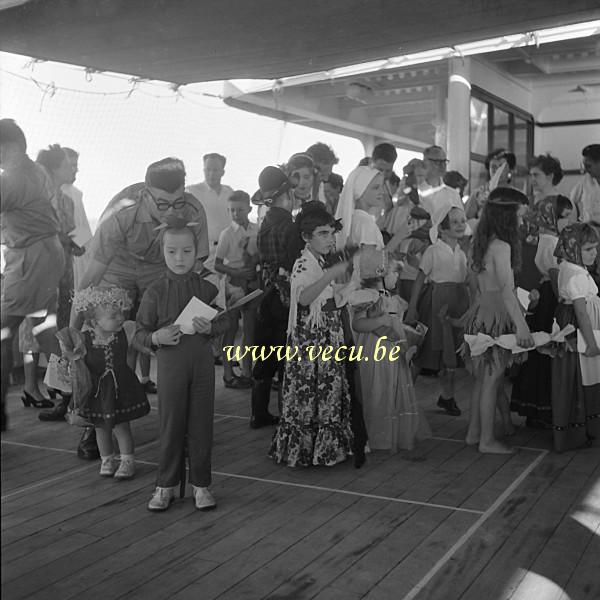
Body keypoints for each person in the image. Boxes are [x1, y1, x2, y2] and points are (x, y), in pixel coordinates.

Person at [67, 157, 209, 459]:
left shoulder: (194, 209)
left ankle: (180, 426)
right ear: (145, 193)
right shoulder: (122, 211)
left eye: (177, 203)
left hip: (163, 266)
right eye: (161, 204)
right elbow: (92, 276)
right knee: (102, 340)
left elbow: (194, 267)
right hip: (117, 266)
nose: (171, 212)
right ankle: (95, 426)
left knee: (174, 337)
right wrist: (74, 327)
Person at [135, 221, 231, 511]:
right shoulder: (154, 291)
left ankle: (201, 486)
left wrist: (211, 328)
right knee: (171, 424)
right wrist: (156, 336)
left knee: (202, 425)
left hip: (202, 367)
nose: (179, 258)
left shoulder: (207, 287)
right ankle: (165, 486)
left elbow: (227, 320)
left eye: (187, 251)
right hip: (170, 366)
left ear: (197, 252)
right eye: (172, 251)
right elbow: (138, 332)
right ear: (162, 251)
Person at [269, 208, 354, 467]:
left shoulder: (321, 260)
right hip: (311, 337)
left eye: (331, 233)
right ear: (307, 237)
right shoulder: (303, 263)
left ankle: (325, 447)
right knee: (309, 389)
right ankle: (307, 447)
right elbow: (304, 298)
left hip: (326, 331)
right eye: (323, 234)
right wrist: (330, 276)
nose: (330, 239)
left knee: (327, 386)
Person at [0, 119, 65, 430]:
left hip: (31, 260)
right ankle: (72, 394)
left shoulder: (14, 176)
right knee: (45, 329)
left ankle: (1, 409)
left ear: (10, 147)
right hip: (44, 255)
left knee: (3, 332)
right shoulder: (36, 171)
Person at [461, 187, 534, 454]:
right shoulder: (501, 247)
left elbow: (474, 285)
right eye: (520, 216)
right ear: (507, 216)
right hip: (497, 315)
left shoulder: (480, 243)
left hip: (482, 312)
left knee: (482, 379)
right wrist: (522, 325)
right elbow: (506, 291)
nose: (522, 222)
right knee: (493, 379)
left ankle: (474, 433)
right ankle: (487, 441)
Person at [352, 251, 431, 458]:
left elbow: (395, 323)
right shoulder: (367, 296)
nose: (397, 277)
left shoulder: (389, 297)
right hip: (375, 350)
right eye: (394, 273)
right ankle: (375, 434)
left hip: (391, 351)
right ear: (379, 274)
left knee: (390, 389)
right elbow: (358, 324)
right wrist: (380, 322)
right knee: (376, 390)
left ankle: (388, 435)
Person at [67, 286, 150, 478]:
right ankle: (107, 459)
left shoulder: (124, 333)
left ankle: (127, 460)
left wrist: (148, 348)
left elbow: (140, 344)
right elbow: (75, 361)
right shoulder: (84, 339)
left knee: (121, 426)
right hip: (97, 391)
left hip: (120, 388)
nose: (120, 318)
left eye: (121, 313)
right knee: (100, 427)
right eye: (114, 316)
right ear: (94, 321)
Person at [511, 195, 573, 428]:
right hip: (550, 300)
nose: (568, 221)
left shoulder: (548, 238)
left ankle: (536, 409)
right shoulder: (549, 242)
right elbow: (556, 276)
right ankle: (541, 410)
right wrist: (564, 302)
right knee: (545, 353)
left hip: (546, 297)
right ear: (551, 216)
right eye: (564, 216)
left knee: (541, 354)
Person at [406, 197, 470, 416]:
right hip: (436, 304)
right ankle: (404, 394)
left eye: (462, 220)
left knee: (450, 355)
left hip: (457, 304)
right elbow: (420, 278)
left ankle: (447, 396)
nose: (461, 225)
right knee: (425, 351)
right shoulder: (434, 251)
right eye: (455, 222)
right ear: (442, 228)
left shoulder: (462, 253)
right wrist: (413, 307)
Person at [251, 166, 302, 428]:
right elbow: (298, 264)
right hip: (286, 298)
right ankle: (287, 418)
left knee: (265, 356)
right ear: (288, 193)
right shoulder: (290, 227)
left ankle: (258, 413)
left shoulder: (265, 224)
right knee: (286, 359)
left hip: (266, 296)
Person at [550, 223, 600, 452]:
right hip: (578, 331)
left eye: (596, 248)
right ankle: (577, 432)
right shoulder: (576, 274)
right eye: (589, 249)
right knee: (578, 379)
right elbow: (581, 312)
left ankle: (582, 430)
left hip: (574, 325)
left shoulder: (569, 267)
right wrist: (591, 343)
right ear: (573, 249)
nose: (595, 253)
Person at [214, 190, 259, 387]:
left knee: (249, 331)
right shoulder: (226, 234)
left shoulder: (257, 230)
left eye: (239, 210)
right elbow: (217, 264)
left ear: (249, 209)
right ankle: (228, 373)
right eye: (231, 210)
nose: (235, 214)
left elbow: (260, 256)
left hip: (251, 284)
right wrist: (238, 273)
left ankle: (247, 370)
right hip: (233, 284)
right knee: (230, 330)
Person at [518, 154, 564, 291]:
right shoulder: (529, 200)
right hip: (526, 257)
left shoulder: (561, 203)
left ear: (550, 176)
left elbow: (562, 234)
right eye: (531, 175)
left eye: (536, 175)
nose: (532, 179)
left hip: (549, 259)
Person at [335, 165, 386, 253]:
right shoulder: (364, 222)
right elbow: (370, 261)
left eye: (382, 187)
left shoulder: (355, 218)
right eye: (376, 187)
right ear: (360, 190)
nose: (382, 192)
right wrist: (398, 237)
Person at [62, 147, 93, 290]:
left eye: (76, 165)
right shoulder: (52, 193)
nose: (76, 170)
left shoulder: (76, 194)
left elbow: (84, 230)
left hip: (78, 257)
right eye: (71, 165)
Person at [465, 149, 516, 224]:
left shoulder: (516, 195)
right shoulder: (478, 194)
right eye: (493, 166)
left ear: (510, 170)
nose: (497, 170)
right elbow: (467, 221)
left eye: (501, 166)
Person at [418, 145, 462, 216]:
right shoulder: (416, 192)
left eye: (444, 161)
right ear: (425, 162)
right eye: (437, 162)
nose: (443, 165)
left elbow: (461, 223)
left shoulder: (453, 195)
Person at [570, 144, 600, 225]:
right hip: (589, 233)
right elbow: (571, 202)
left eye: (588, 166)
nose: (585, 170)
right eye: (584, 166)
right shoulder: (584, 181)